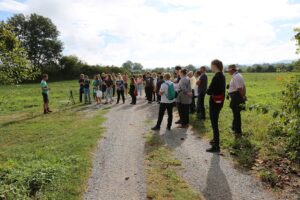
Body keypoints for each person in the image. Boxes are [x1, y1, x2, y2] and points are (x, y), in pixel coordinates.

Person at [206, 59, 226, 153]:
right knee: (215, 122)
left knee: (214, 124)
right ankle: (215, 140)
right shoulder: (222, 75)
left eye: (211, 65)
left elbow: (209, 91)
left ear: (214, 66)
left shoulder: (216, 76)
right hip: (220, 102)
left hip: (214, 103)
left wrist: (208, 90)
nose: (210, 67)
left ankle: (216, 146)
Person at [228, 64, 246, 137]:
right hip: (236, 96)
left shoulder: (236, 77)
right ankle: (234, 128)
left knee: (236, 114)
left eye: (228, 70)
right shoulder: (237, 76)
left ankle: (238, 131)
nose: (228, 72)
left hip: (236, 97)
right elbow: (243, 86)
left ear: (232, 70)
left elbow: (239, 89)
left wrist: (243, 96)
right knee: (235, 113)